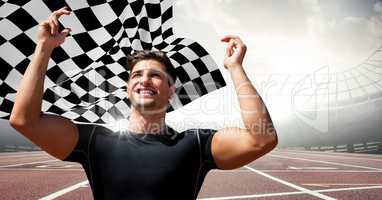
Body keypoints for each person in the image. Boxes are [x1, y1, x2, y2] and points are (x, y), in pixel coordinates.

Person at [9, 7, 278, 200]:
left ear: (172, 89)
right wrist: (43, 48)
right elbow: (25, 120)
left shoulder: (195, 144)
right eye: (137, 75)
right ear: (128, 89)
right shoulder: (94, 141)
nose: (144, 80)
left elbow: (261, 140)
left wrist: (235, 68)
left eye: (155, 75)